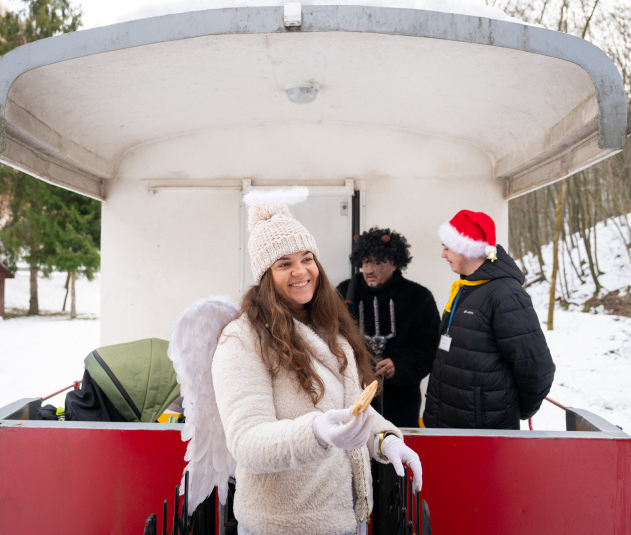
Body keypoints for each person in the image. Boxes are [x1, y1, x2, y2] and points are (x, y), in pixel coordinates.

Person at [211, 187, 422, 535]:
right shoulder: (242, 338)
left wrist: (386, 439)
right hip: (281, 525)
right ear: (265, 275)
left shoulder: (330, 327)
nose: (300, 271)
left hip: (344, 517)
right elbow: (246, 442)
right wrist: (316, 433)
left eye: (307, 258)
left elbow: (352, 410)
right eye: (284, 263)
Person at [423, 210, 555, 430]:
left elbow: (537, 367)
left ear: (467, 248)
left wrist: (513, 409)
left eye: (447, 248)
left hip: (484, 434)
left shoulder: (506, 295)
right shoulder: (467, 288)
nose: (443, 255)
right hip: (447, 423)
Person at [337, 228, 440, 427]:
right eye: (366, 262)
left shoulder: (418, 297)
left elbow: (429, 348)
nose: (369, 270)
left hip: (402, 402)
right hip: (354, 398)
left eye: (378, 262)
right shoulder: (345, 293)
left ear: (394, 263)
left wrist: (399, 366)